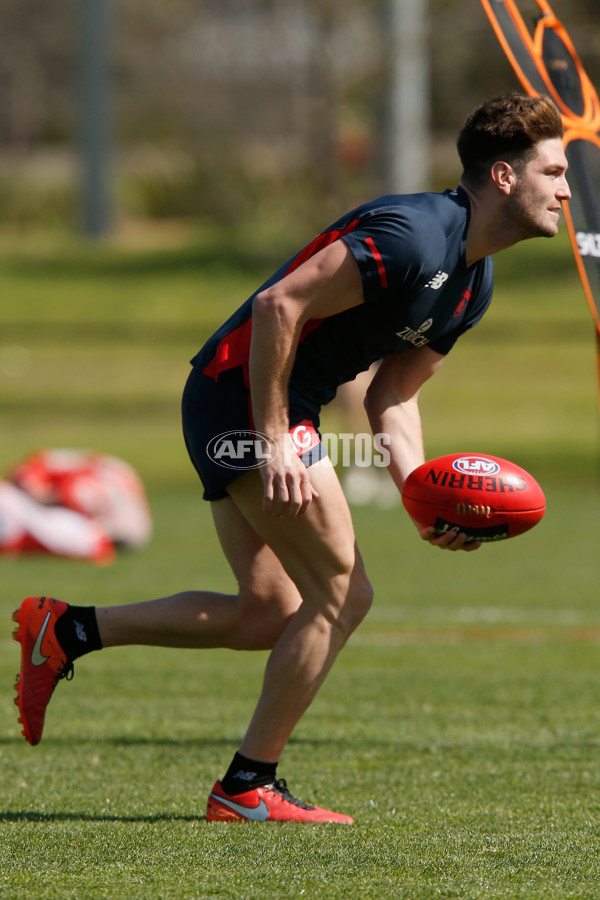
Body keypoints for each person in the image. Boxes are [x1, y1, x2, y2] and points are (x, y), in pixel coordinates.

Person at [12, 93, 569, 824]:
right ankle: (246, 787)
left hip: (254, 403)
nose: (566, 189)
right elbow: (280, 306)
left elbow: (392, 398)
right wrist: (275, 436)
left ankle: (68, 630)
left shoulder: (475, 281)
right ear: (503, 176)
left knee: (268, 612)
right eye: (554, 171)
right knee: (343, 594)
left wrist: (424, 497)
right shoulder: (413, 235)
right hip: (242, 398)